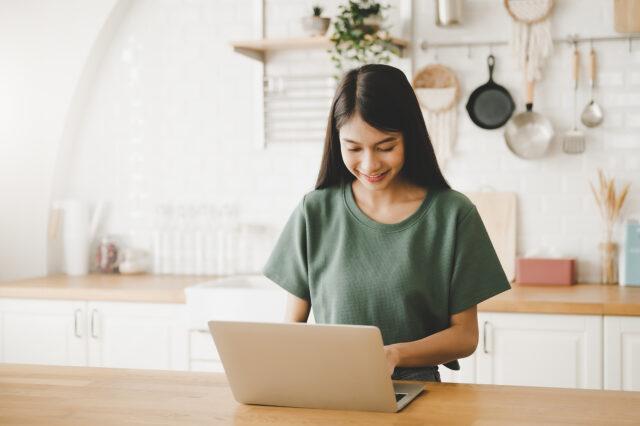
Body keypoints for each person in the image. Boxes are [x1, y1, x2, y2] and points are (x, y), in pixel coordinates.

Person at [262, 64, 510, 382]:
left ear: (411, 137)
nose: (369, 164)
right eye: (353, 148)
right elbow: (292, 330)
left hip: (419, 395)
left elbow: (465, 337)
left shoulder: (453, 215)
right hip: (332, 392)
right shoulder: (315, 211)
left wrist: (393, 355)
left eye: (386, 147)